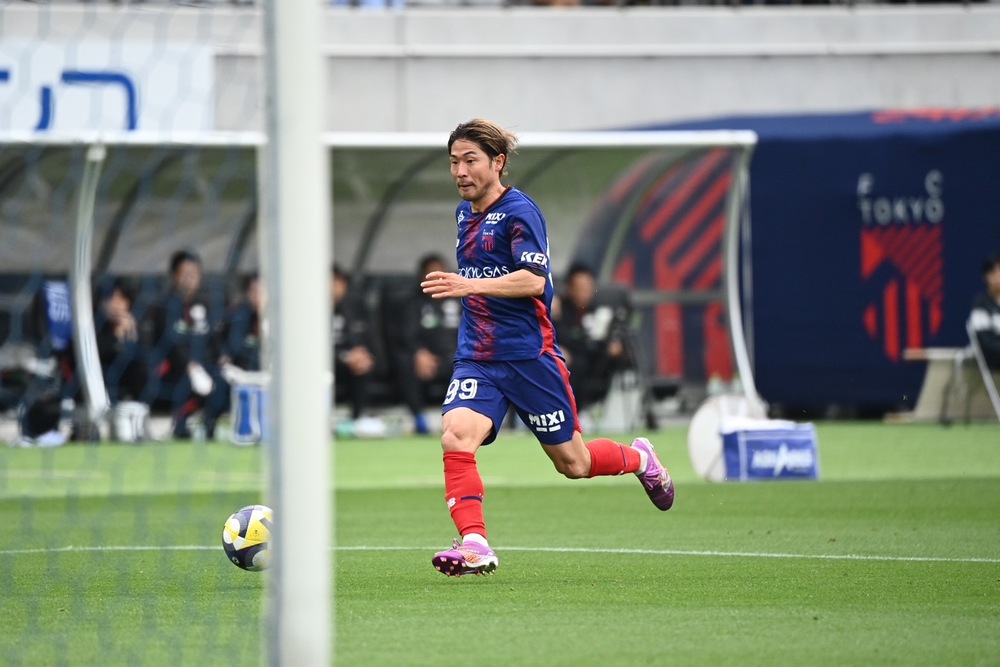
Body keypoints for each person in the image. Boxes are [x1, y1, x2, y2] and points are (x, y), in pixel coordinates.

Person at [421, 119, 674, 578]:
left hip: (530, 358)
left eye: (470, 160)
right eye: (454, 162)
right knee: (456, 436)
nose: (460, 171)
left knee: (574, 464)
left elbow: (534, 280)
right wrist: (470, 289)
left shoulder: (520, 212)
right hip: (478, 356)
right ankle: (475, 543)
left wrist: (468, 284)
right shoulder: (463, 214)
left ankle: (641, 459)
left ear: (498, 162)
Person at [141, 249, 217, 440]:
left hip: (204, 366)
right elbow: (170, 343)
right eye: (186, 274)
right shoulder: (164, 306)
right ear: (175, 276)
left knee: (222, 380)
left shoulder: (206, 304)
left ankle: (210, 426)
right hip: (174, 368)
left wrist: (222, 360)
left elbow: (214, 341)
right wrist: (191, 366)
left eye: (195, 273)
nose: (191, 279)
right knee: (189, 382)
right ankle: (180, 424)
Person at [389, 253, 461, 435]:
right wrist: (419, 352)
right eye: (432, 274)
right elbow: (407, 334)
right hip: (426, 359)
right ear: (422, 277)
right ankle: (419, 418)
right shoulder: (412, 303)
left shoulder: (462, 300)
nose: (437, 279)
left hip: (458, 357)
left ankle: (462, 421)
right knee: (405, 363)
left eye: (441, 273)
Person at [552, 262, 630, 415]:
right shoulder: (560, 309)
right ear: (570, 289)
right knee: (568, 362)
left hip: (597, 361)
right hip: (571, 360)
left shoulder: (600, 309)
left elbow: (609, 338)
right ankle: (573, 413)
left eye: (588, 287)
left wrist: (615, 346)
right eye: (579, 288)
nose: (584, 293)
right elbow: (556, 335)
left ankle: (595, 409)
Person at [202, 272, 264, 439]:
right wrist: (224, 356)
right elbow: (229, 346)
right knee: (221, 382)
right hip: (238, 369)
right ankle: (209, 426)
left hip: (266, 371)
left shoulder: (277, 317)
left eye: (261, 291)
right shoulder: (238, 316)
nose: (257, 296)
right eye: (254, 291)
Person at [331, 264, 377, 423]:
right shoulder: (311, 310)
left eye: (336, 282)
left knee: (363, 364)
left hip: (353, 362)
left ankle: (358, 418)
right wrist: (345, 357)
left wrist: (360, 355)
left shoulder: (357, 306)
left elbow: (369, 338)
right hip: (324, 363)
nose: (332, 288)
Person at [970, 254, 1000, 369]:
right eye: (993, 272)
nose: (998, 276)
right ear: (986, 277)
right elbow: (985, 341)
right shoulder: (981, 305)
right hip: (994, 361)